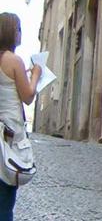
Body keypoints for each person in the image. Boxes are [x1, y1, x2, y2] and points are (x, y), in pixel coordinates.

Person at [0, 13, 40, 221]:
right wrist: (35, 75)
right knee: (5, 199)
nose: (20, 33)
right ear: (11, 32)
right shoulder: (14, 60)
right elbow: (28, 96)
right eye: (18, 29)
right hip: (8, 135)